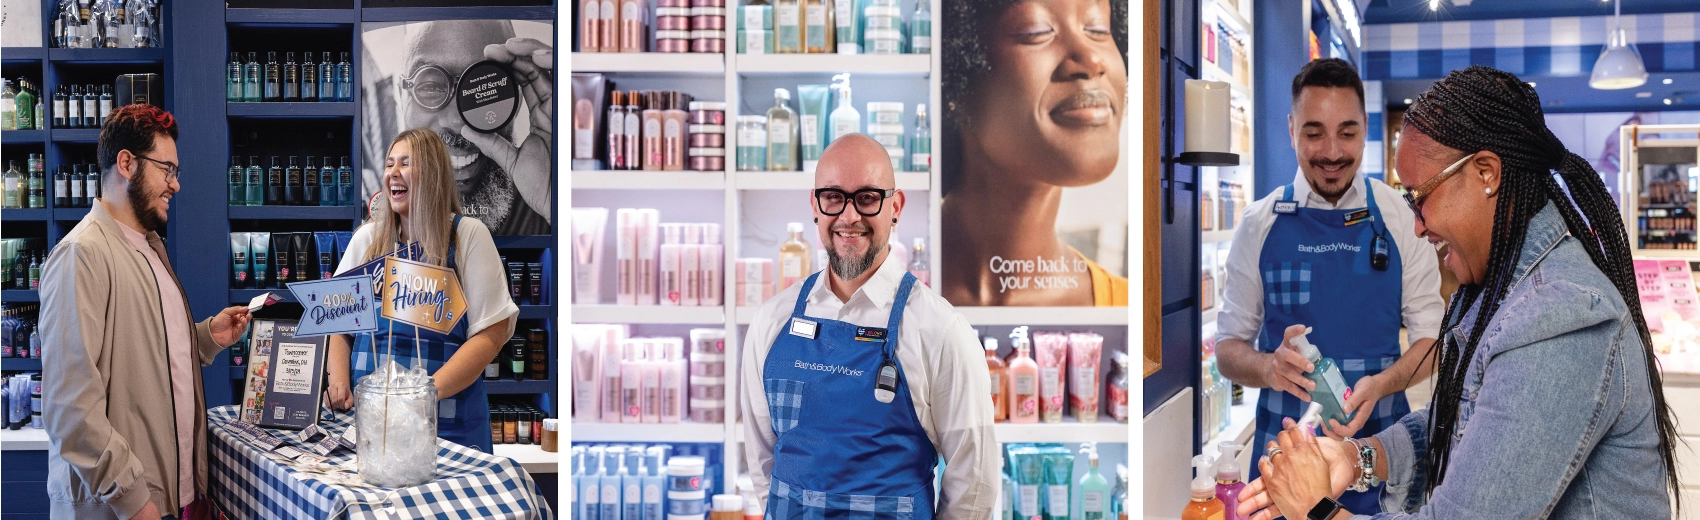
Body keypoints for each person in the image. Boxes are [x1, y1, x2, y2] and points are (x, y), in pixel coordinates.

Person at [1238, 65, 1680, 520]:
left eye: (1420, 196)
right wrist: (1357, 457)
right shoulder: (1501, 286)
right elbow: (1463, 424)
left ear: (1486, 173)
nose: (1417, 225)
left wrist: (1318, 510)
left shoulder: (1559, 315)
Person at [1213, 58, 1446, 515]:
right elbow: (1227, 350)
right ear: (1291, 129)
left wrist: (1381, 385)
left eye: (1348, 132)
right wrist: (1268, 368)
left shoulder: (1400, 217)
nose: (1332, 151)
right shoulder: (1259, 223)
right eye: (1314, 132)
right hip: (1285, 454)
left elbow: (1432, 341)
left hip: (1382, 449)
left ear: (1365, 129)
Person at [740, 134, 1000, 520]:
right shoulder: (771, 322)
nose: (849, 216)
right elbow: (763, 463)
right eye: (833, 197)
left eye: (867, 198)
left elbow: (974, 484)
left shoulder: (941, 332)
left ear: (895, 207)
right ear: (815, 204)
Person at [41, 104, 254, 520]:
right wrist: (135, 503)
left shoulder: (150, 247)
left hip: (163, 497)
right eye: (167, 169)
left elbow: (145, 355)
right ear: (126, 163)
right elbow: (70, 408)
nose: (174, 184)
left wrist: (209, 336)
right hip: (120, 509)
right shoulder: (81, 255)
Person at [325, 128, 519, 453]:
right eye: (389, 164)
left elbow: (492, 332)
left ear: (432, 174)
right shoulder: (367, 240)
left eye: (405, 163)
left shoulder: (468, 236)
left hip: (447, 431)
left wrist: (421, 397)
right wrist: (339, 380)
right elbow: (339, 324)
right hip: (370, 427)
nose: (393, 173)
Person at [938, 0, 1129, 307]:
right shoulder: (882, 298)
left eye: (1097, 29)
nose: (1092, 59)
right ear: (952, 77)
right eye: (1035, 31)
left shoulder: (1131, 307)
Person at [387, 20, 553, 236]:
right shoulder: (371, 223)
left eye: (483, 86)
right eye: (431, 86)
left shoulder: (547, 210)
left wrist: (554, 201)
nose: (457, 122)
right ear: (402, 97)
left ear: (517, 98)